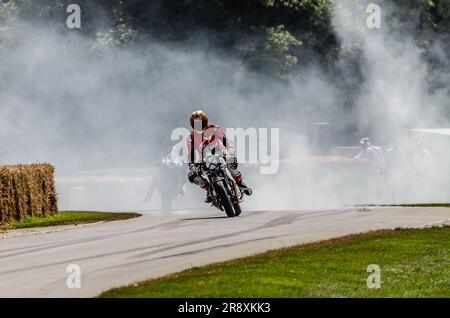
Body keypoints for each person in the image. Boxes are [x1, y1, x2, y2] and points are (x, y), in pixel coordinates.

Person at [187, 110, 252, 203]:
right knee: (192, 175)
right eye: (196, 122)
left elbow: (226, 141)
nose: (199, 124)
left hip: (220, 152)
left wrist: (231, 152)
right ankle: (209, 190)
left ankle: (240, 183)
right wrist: (192, 166)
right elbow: (191, 152)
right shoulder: (191, 136)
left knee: (231, 164)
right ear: (192, 124)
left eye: (201, 121)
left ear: (205, 121)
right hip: (203, 158)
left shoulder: (214, 128)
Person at [354, 137, 387, 201]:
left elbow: (381, 159)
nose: (362, 146)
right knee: (373, 186)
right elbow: (358, 157)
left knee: (380, 185)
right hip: (372, 171)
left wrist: (382, 168)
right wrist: (353, 159)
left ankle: (381, 199)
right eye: (362, 145)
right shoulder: (364, 150)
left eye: (363, 144)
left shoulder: (375, 149)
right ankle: (375, 199)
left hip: (378, 169)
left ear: (367, 143)